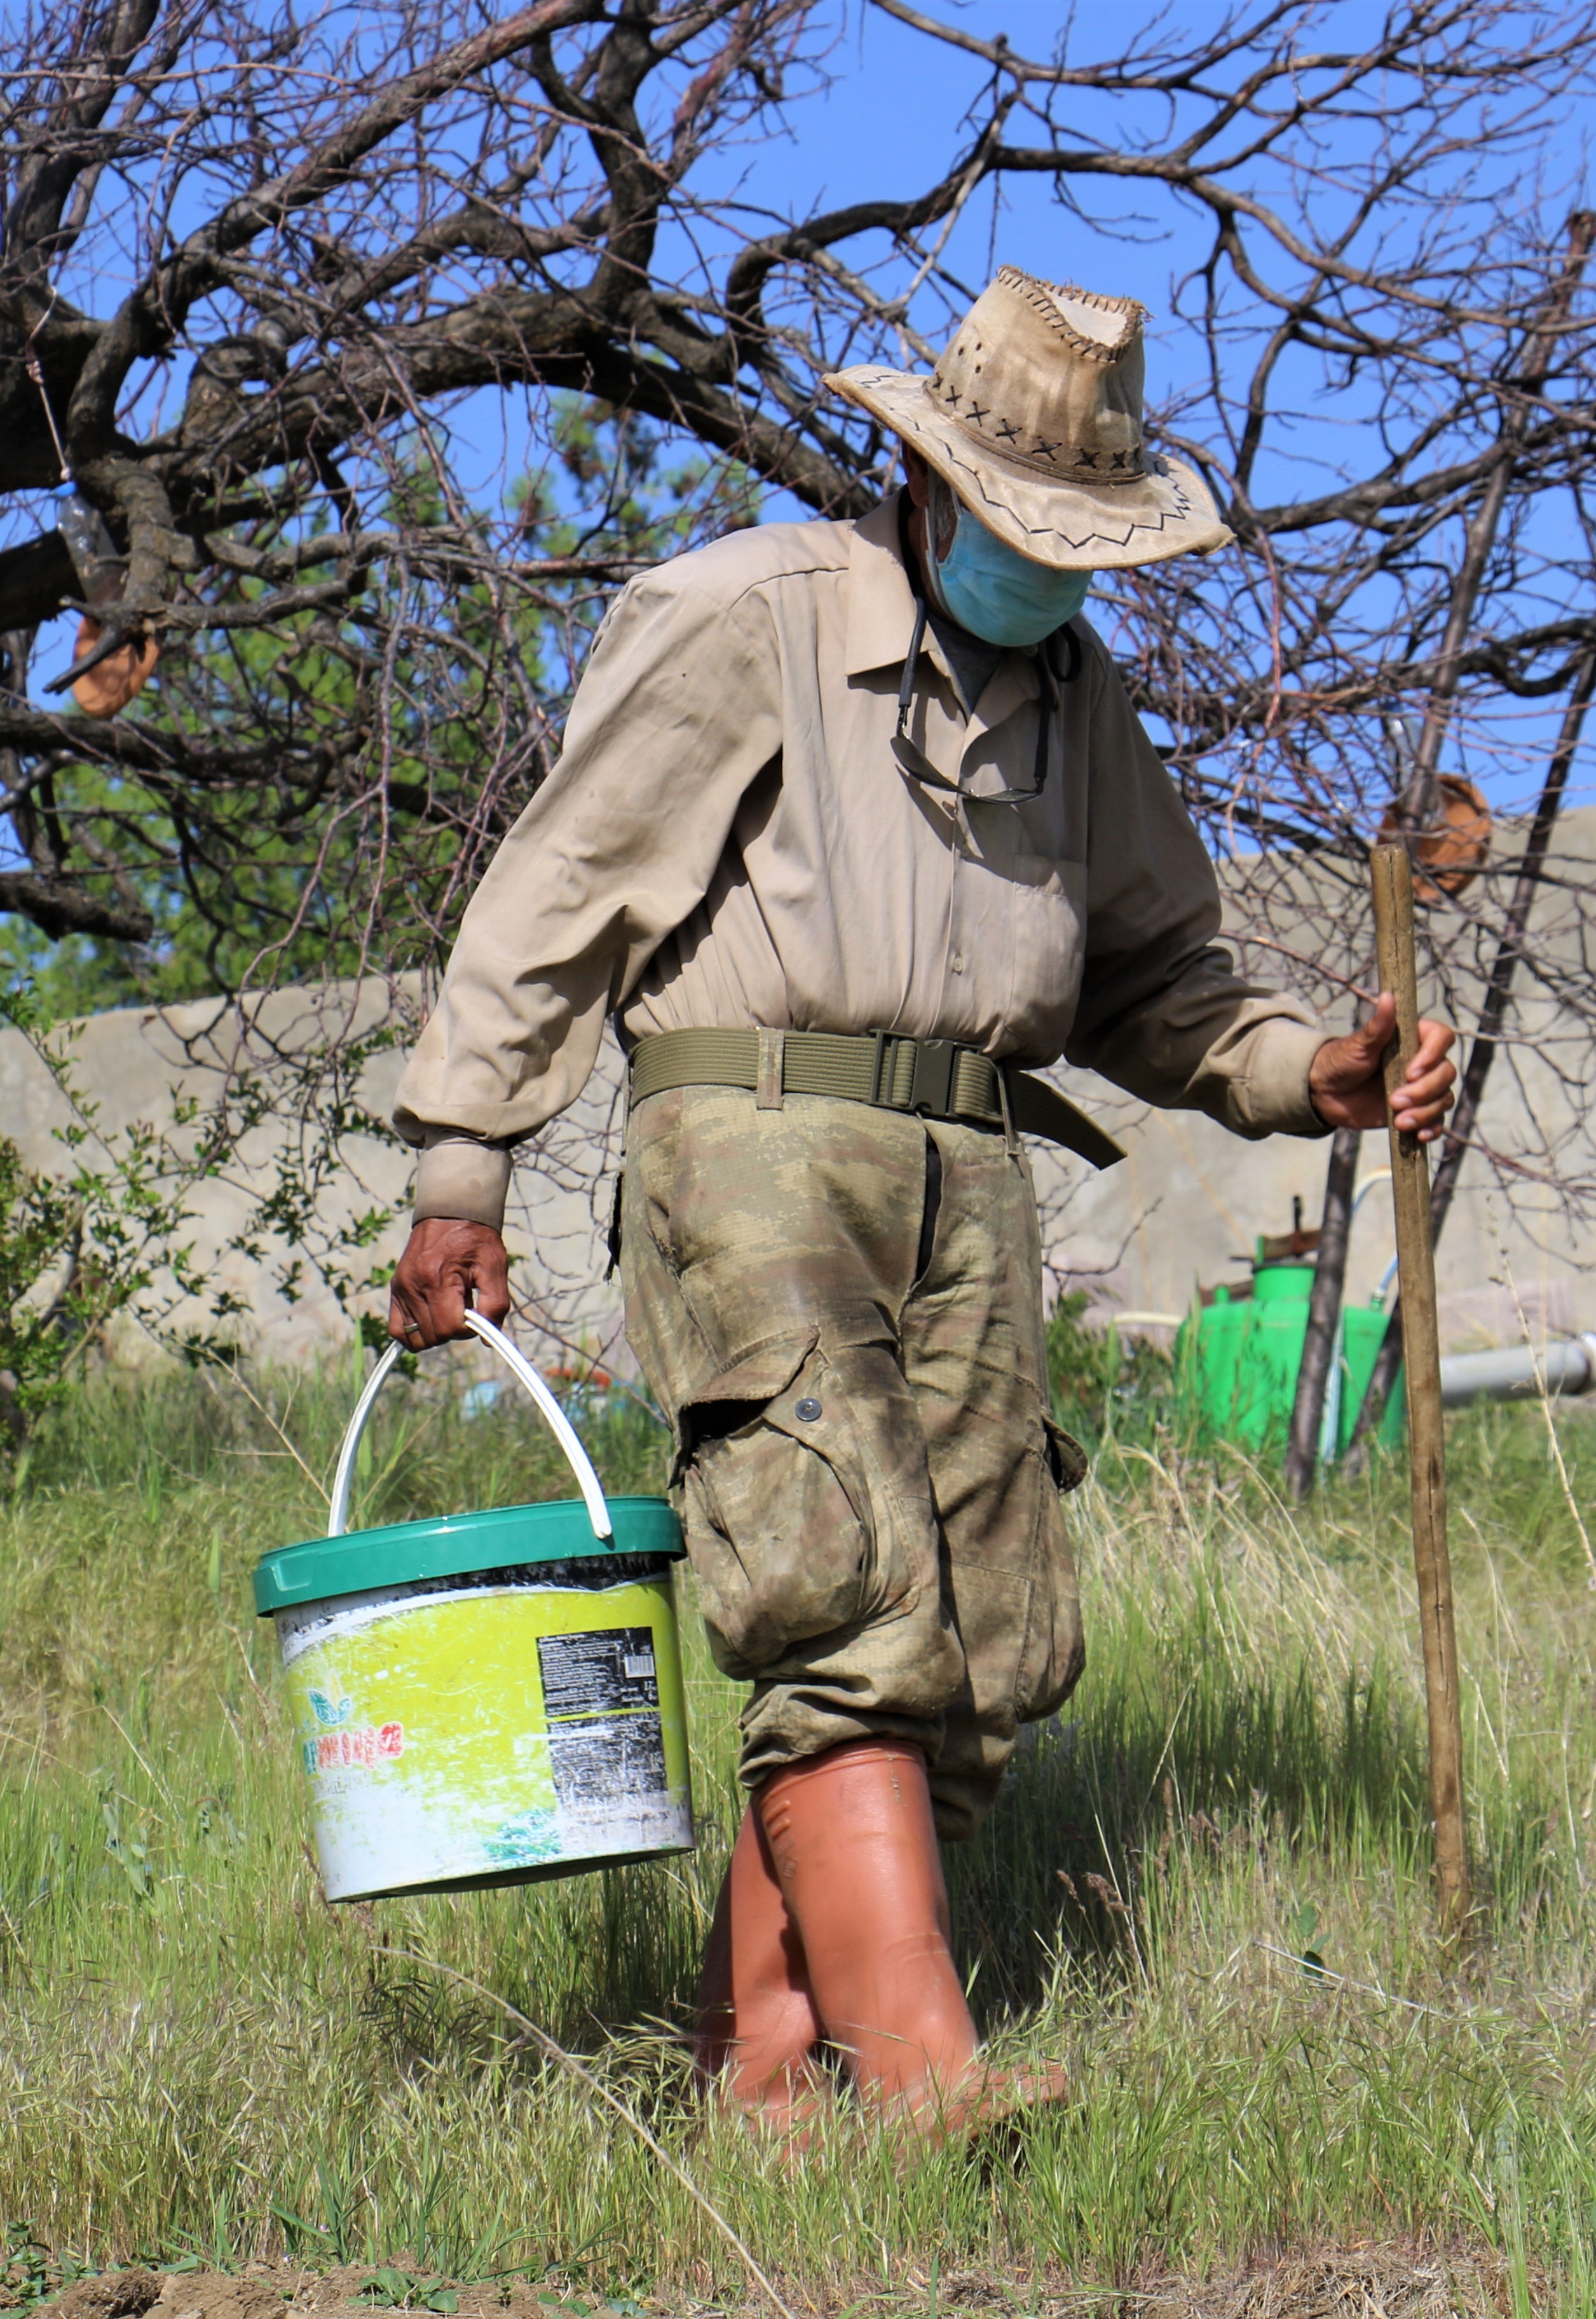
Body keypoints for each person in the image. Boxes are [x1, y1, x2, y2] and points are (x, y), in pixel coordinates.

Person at [387, 266, 1457, 2132]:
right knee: (845, 1591)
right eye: (1028, 531)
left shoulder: (1077, 703)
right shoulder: (751, 613)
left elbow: (1160, 983)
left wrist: (1315, 1078)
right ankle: (926, 2067)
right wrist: (463, 1162)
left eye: (1086, 547)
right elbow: (560, 890)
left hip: (975, 1160)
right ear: (933, 481)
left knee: (981, 1646)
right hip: (755, 1136)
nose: (1052, 573)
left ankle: (770, 2080)